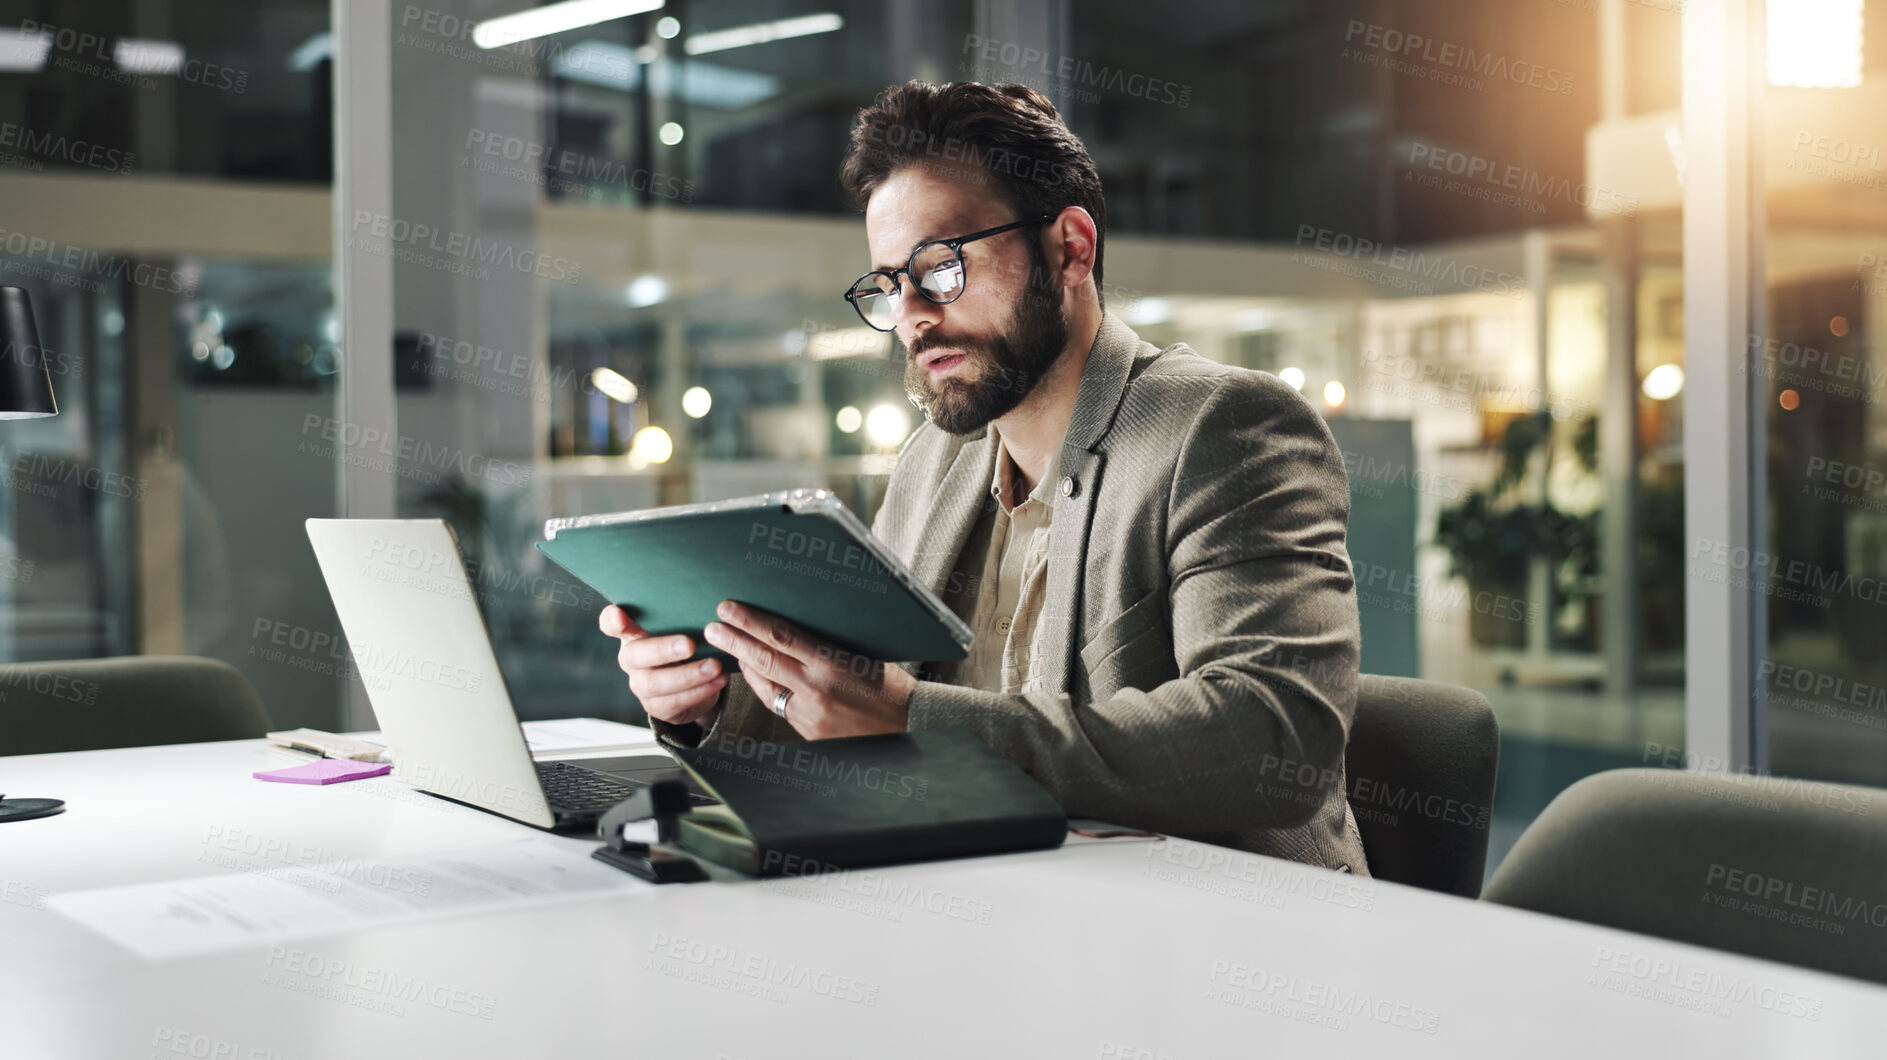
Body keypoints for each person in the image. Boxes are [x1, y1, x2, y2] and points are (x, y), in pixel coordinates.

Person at [601, 80, 1367, 872]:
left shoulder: (1226, 427)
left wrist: (915, 719)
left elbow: (1271, 738)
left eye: (938, 269)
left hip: (1220, 939)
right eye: (887, 285)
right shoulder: (934, 459)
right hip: (990, 903)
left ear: (1071, 247)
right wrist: (712, 699)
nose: (911, 315)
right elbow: (865, 712)